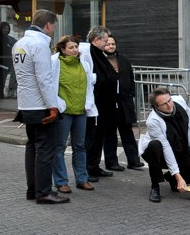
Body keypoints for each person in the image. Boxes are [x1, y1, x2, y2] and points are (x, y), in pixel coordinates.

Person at [12, 9, 68, 205]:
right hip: (40, 104)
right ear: (48, 25)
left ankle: (33, 190)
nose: (53, 30)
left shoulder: (19, 44)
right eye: (53, 26)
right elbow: (44, 79)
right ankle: (44, 192)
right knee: (45, 150)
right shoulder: (40, 45)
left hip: (26, 104)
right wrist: (53, 106)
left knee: (32, 148)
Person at [50, 35, 96, 194]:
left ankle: (82, 179)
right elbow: (50, 86)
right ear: (63, 49)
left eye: (76, 47)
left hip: (81, 110)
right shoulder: (55, 63)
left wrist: (88, 104)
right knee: (59, 146)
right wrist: (58, 104)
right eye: (71, 47)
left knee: (80, 146)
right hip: (64, 111)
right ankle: (61, 181)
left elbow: (89, 86)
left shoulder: (83, 64)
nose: (75, 50)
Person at [102, 35, 144, 170]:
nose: (111, 46)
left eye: (113, 44)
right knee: (110, 134)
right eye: (108, 44)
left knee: (127, 132)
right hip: (108, 103)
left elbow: (131, 78)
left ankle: (134, 161)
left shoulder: (124, 60)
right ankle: (111, 162)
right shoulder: (100, 61)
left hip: (125, 103)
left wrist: (130, 94)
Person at [82, 26, 118, 180]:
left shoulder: (99, 54)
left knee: (99, 136)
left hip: (104, 105)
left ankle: (94, 166)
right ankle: (87, 169)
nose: (107, 43)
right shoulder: (88, 53)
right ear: (96, 40)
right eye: (104, 41)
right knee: (91, 137)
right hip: (95, 104)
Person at [0, 21, 17, 98]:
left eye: (7, 28)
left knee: (5, 79)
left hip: (7, 62)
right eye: (4, 28)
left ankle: (2, 94)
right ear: (1, 28)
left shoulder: (9, 38)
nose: (6, 30)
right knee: (0, 80)